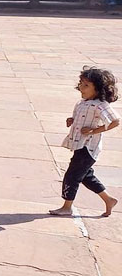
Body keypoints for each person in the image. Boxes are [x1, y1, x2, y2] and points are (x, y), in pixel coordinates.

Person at [49, 67, 119, 217]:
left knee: (72, 176)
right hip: (78, 144)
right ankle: (108, 200)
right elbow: (80, 117)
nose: (82, 87)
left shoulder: (100, 104)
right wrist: (72, 120)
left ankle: (67, 207)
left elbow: (115, 121)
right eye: (81, 83)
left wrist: (94, 131)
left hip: (88, 147)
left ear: (99, 88)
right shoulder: (82, 103)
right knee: (86, 176)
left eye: (86, 85)